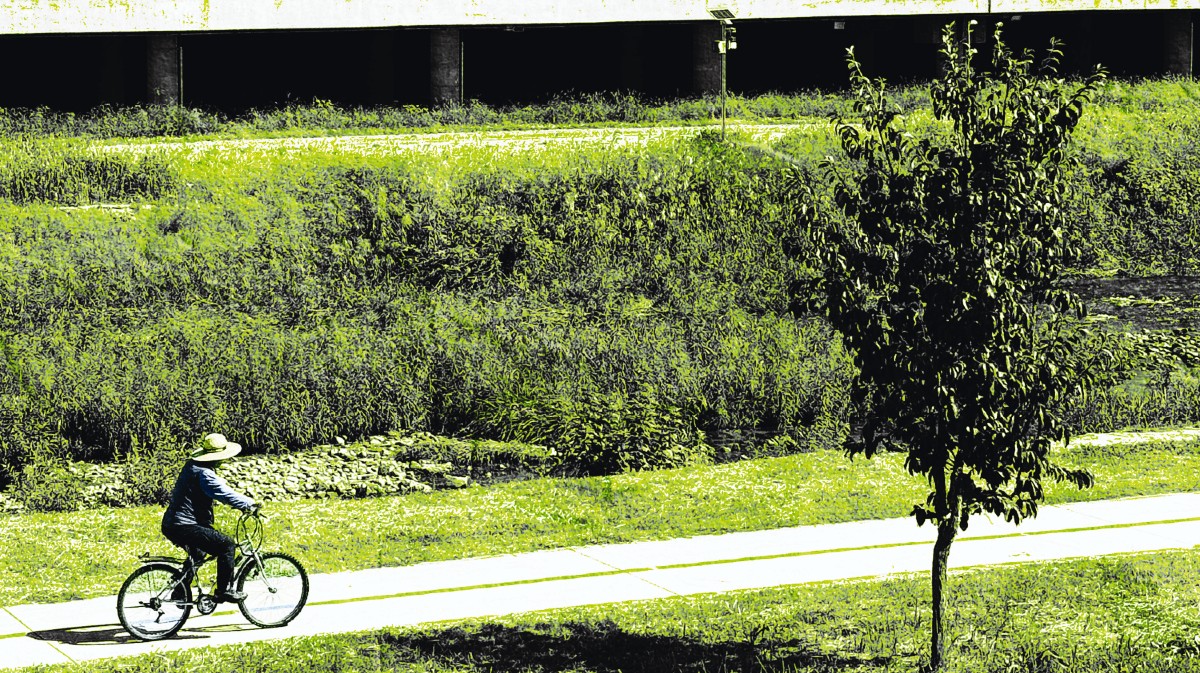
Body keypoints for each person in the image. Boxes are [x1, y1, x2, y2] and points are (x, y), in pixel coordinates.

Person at [161, 432, 258, 603]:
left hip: (173, 523)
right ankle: (223, 591)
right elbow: (223, 493)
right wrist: (248, 504)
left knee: (198, 553)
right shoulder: (204, 473)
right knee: (226, 545)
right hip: (184, 525)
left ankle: (179, 591)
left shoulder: (192, 466)